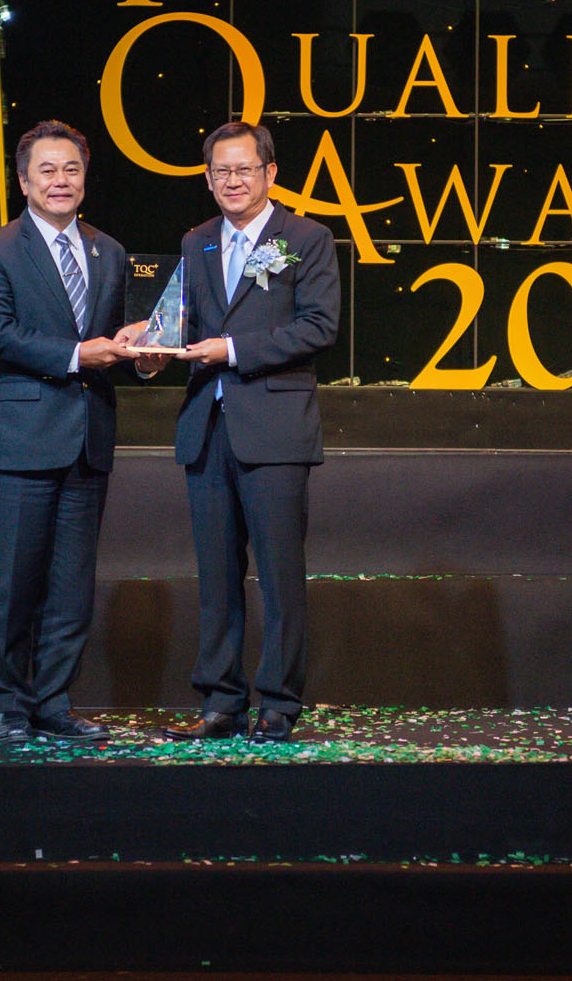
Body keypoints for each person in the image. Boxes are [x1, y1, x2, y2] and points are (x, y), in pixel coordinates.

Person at [127, 122, 340, 742]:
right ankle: (222, 701)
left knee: (279, 575)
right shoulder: (196, 241)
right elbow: (182, 324)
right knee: (216, 578)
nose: (233, 181)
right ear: (208, 178)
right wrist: (150, 350)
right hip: (207, 426)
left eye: (245, 169)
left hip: (275, 427)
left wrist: (232, 350)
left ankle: (278, 703)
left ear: (270, 173)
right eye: (221, 171)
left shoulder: (307, 238)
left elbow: (319, 326)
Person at [0, 120, 134, 742]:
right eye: (47, 170)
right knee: (13, 586)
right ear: (23, 180)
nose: (61, 180)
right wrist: (76, 355)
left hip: (87, 442)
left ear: (84, 178)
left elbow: (113, 341)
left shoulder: (109, 250)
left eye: (71, 169)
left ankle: (53, 702)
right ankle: (9, 706)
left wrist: (141, 354)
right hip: (18, 440)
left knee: (71, 589)